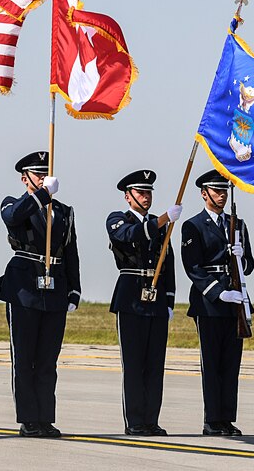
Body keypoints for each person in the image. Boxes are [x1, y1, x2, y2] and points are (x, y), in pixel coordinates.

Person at [0, 151, 81, 438]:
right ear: (25, 179)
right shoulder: (14, 203)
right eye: (38, 174)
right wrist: (42, 195)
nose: (44, 178)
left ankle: (45, 417)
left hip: (55, 287)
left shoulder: (63, 211)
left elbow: (70, 250)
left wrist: (74, 289)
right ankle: (28, 418)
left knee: (47, 359)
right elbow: (12, 217)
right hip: (24, 288)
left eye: (46, 174)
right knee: (24, 358)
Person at [106, 169, 182, 436]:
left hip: (156, 298)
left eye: (148, 192)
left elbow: (168, 263)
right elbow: (131, 236)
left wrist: (170, 299)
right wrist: (162, 220)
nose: (146, 197)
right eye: (140, 192)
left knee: (154, 364)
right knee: (134, 363)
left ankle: (151, 419)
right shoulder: (118, 219)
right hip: (130, 296)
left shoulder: (161, 225)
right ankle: (135, 420)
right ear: (128, 197)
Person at [180, 169, 254, 436]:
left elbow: (249, 265)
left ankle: (226, 418)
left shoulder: (238, 224)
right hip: (209, 303)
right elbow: (193, 267)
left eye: (224, 191)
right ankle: (211, 419)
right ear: (204, 193)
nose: (221, 195)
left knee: (230, 364)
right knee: (211, 363)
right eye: (216, 191)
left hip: (234, 301)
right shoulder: (193, 225)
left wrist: (241, 255)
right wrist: (217, 292)